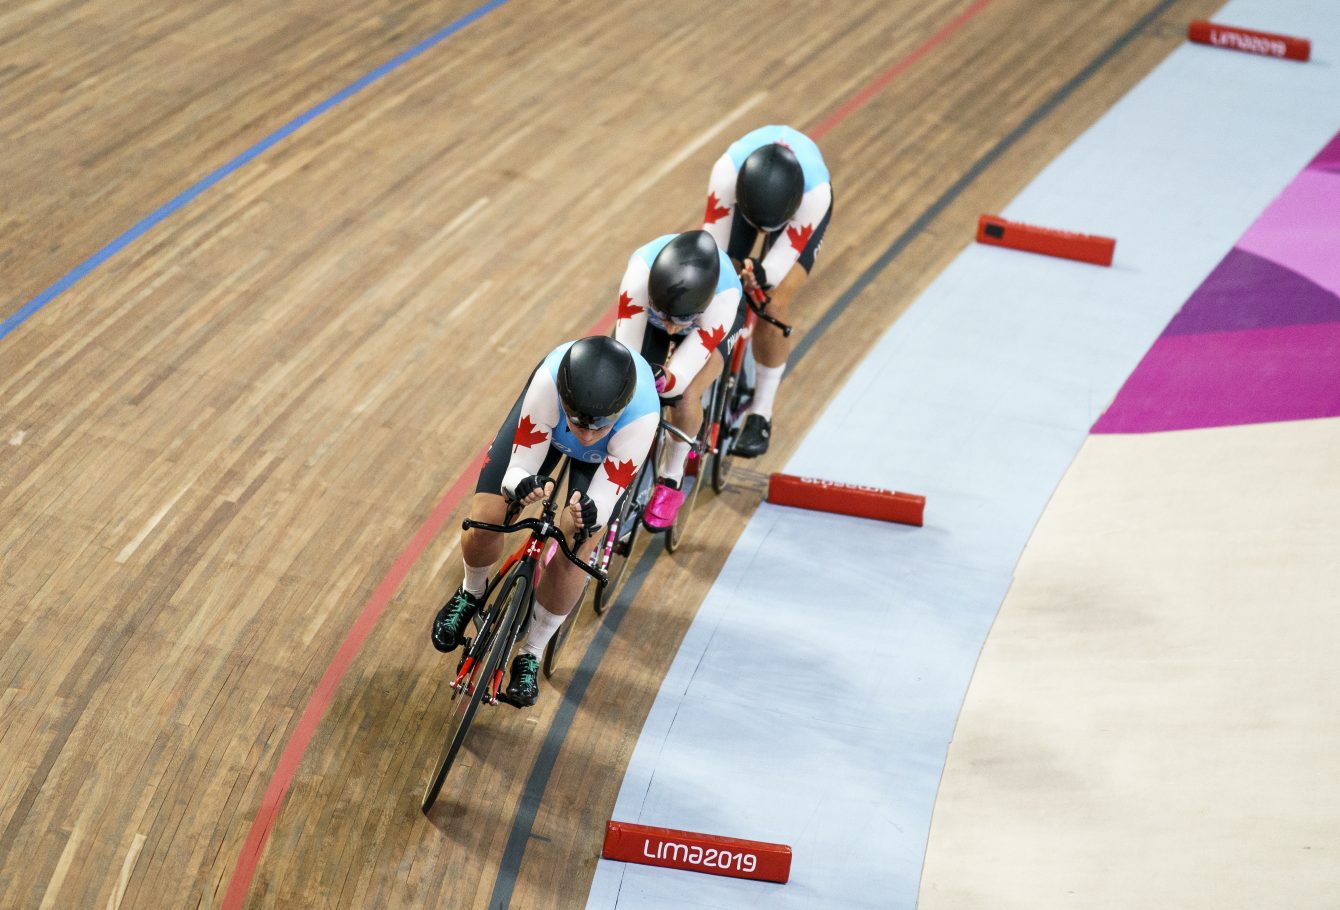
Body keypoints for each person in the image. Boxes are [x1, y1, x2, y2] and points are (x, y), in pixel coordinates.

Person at [431, 336, 658, 706]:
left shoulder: (642, 417)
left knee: (574, 554)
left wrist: (586, 516)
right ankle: (471, 592)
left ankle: (532, 652)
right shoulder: (548, 384)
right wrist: (522, 485)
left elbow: (603, 499)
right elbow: (518, 466)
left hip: (606, 460)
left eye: (596, 427)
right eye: (579, 423)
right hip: (549, 432)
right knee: (487, 518)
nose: (585, 435)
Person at [702, 124, 832, 457]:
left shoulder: (814, 197)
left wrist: (760, 275)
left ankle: (762, 412)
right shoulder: (726, 174)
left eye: (765, 228)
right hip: (741, 195)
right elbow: (713, 255)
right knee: (715, 277)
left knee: (772, 303)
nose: (760, 231)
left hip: (797, 211)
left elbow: (772, 272)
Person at [613, 229, 742, 531]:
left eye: (680, 322)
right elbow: (629, 355)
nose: (672, 330)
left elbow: (679, 379)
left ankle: (671, 477)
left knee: (683, 396)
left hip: (709, 326)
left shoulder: (724, 299)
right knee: (621, 381)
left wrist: (665, 379)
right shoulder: (639, 276)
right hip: (655, 316)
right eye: (665, 318)